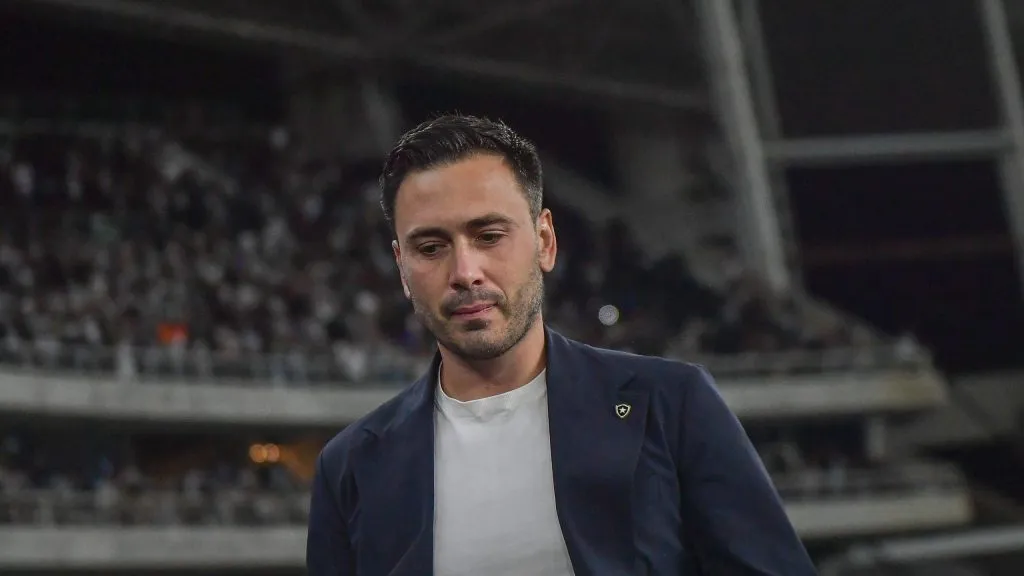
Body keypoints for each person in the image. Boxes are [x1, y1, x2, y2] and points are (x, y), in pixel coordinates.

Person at [306, 114, 817, 576]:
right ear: (401, 267)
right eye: (431, 247)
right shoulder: (349, 467)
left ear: (544, 241)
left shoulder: (670, 403)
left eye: (488, 235)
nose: (464, 272)